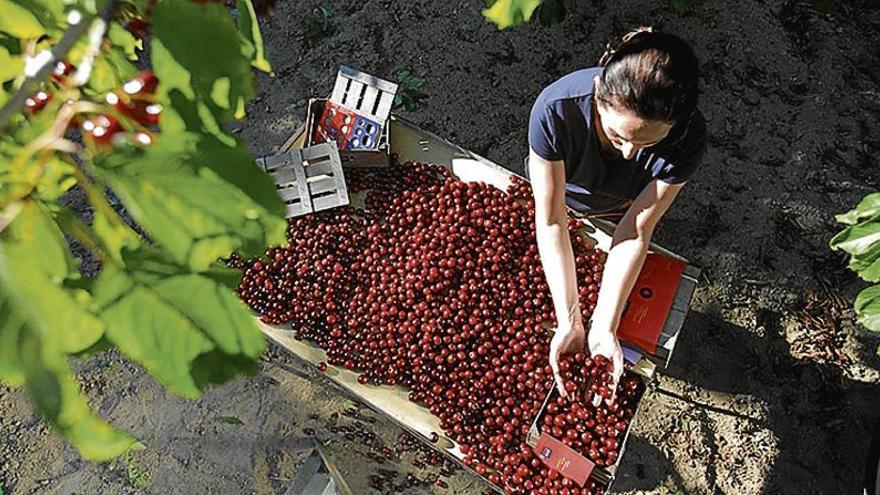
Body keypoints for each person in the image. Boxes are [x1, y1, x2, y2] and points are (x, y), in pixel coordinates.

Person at [527, 27, 707, 401]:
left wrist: (603, 327)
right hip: (564, 194)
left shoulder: (688, 139)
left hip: (621, 205)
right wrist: (569, 320)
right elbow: (552, 219)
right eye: (617, 135)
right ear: (598, 94)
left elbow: (636, 230)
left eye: (647, 142)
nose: (629, 153)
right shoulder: (555, 111)